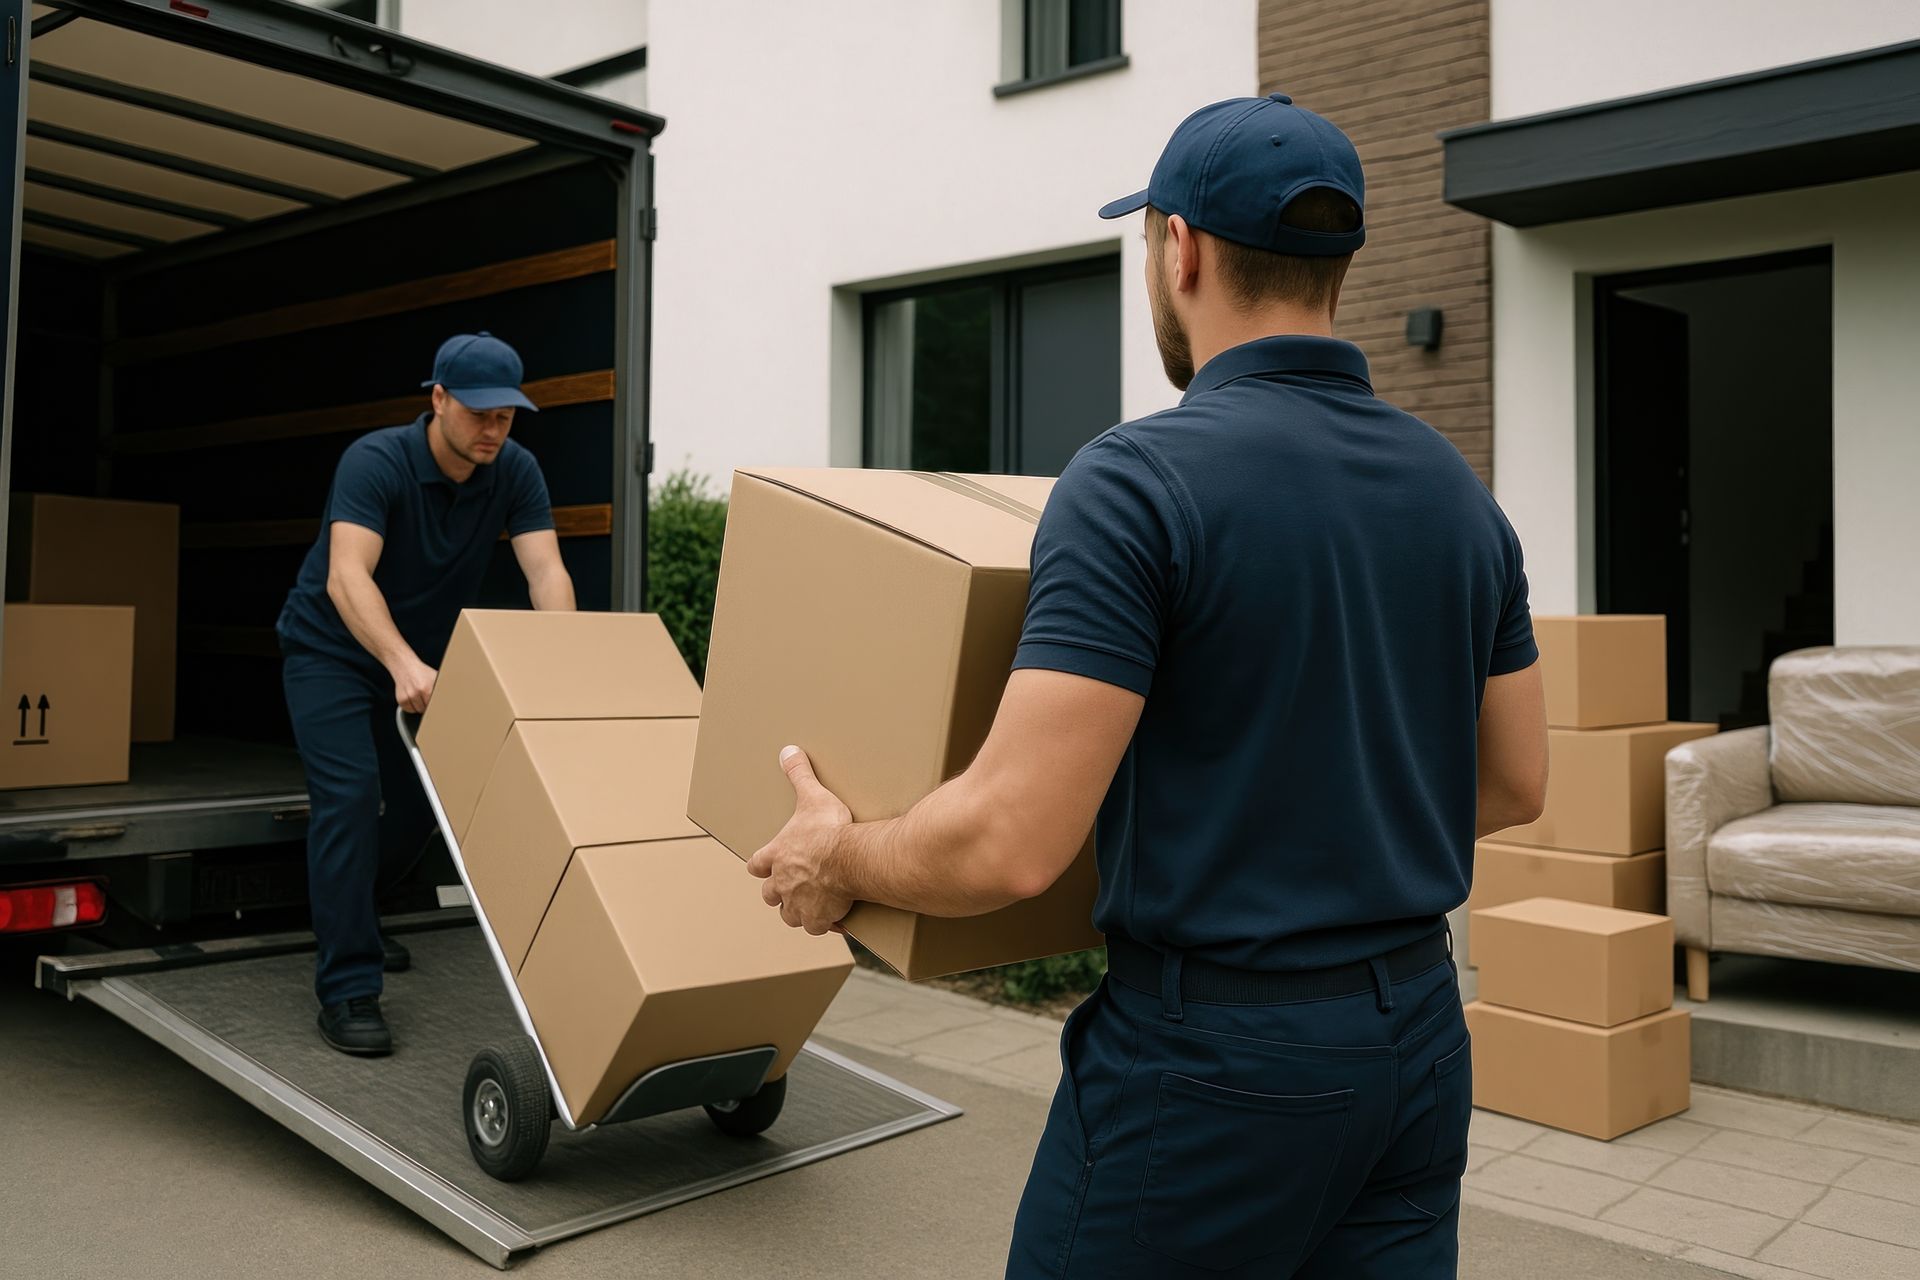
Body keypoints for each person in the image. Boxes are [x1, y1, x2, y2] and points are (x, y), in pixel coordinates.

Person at [747, 94, 1548, 1278]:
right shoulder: (1457, 492)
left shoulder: (1137, 482)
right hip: (1417, 1041)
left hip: (1216, 1063)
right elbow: (1516, 778)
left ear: (1181, 249)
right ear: (1334, 265)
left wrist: (840, 857)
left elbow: (1013, 845)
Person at [277, 332, 575, 1056]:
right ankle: (349, 986)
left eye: (506, 415)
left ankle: (357, 912)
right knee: (351, 796)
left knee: (425, 804)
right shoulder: (376, 461)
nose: (493, 430)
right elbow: (349, 576)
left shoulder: (515, 470)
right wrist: (402, 662)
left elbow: (546, 573)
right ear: (438, 399)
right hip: (334, 651)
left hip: (426, 663)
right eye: (479, 413)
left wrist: (564, 667)